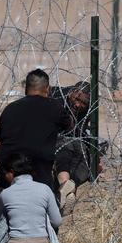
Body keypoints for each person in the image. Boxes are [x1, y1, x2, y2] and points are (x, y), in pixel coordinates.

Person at [0, 69, 72, 190]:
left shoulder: (9, 109)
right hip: (38, 176)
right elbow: (69, 126)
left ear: (26, 88)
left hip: (8, 176)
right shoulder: (54, 107)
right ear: (47, 89)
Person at [50, 81, 91, 215]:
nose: (78, 104)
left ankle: (68, 187)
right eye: (77, 99)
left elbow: (80, 131)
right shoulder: (56, 96)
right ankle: (65, 183)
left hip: (75, 139)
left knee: (85, 163)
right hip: (55, 140)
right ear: (71, 91)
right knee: (64, 150)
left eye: (83, 103)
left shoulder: (90, 108)